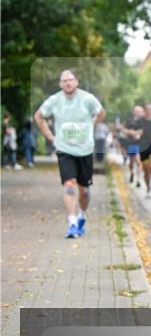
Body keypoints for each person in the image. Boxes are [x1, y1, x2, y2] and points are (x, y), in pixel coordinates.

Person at [33, 69, 106, 238]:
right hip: (65, 149)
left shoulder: (87, 99)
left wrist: (92, 124)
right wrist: (50, 137)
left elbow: (101, 113)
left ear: (76, 82)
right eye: (64, 80)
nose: (67, 83)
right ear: (60, 84)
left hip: (85, 149)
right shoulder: (54, 100)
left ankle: (81, 215)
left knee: (84, 191)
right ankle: (72, 222)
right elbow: (38, 116)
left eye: (70, 80)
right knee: (69, 184)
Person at [123, 105, 146, 188]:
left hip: (140, 144)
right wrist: (130, 132)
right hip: (130, 143)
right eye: (137, 111)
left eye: (140, 111)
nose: (138, 113)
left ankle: (138, 179)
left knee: (139, 161)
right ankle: (132, 172)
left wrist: (136, 133)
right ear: (134, 112)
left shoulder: (143, 121)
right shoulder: (129, 120)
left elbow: (143, 131)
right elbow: (124, 130)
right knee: (132, 162)